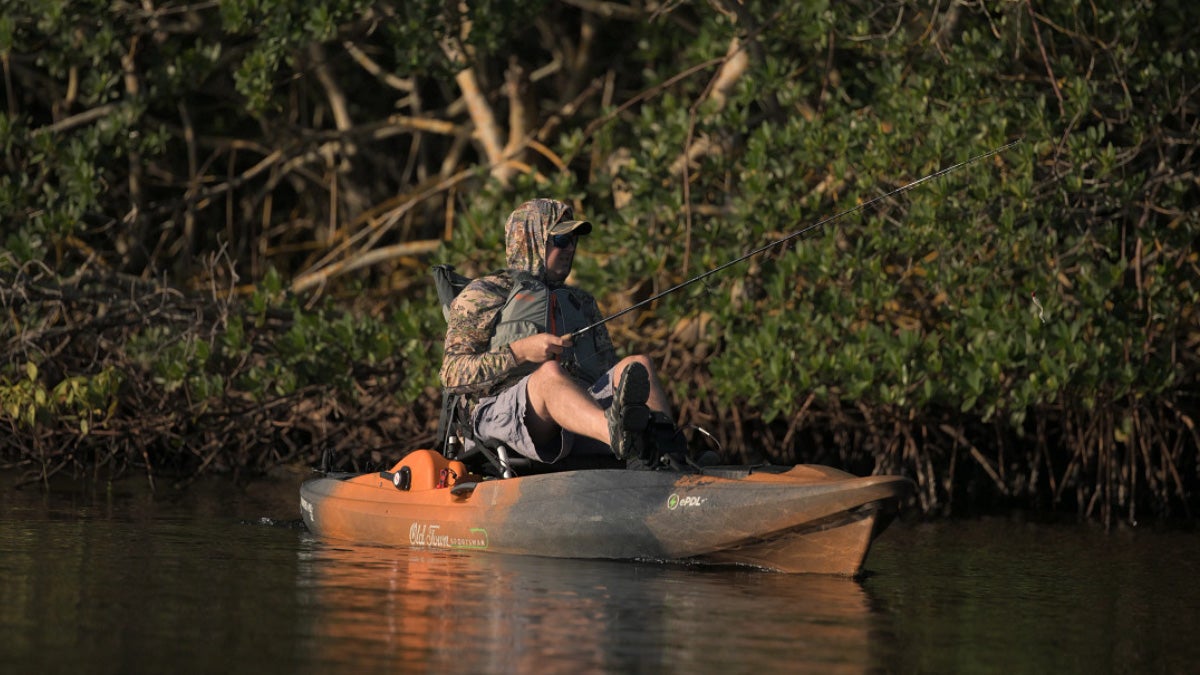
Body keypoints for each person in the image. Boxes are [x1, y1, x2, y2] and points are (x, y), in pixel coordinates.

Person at [439, 197, 681, 468]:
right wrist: (520, 352)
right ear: (533, 240)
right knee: (550, 375)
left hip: (578, 415)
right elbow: (451, 375)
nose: (570, 249)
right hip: (499, 418)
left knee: (638, 365)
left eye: (574, 241)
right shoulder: (485, 292)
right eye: (562, 240)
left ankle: (669, 454)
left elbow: (611, 376)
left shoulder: (583, 302)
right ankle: (621, 439)